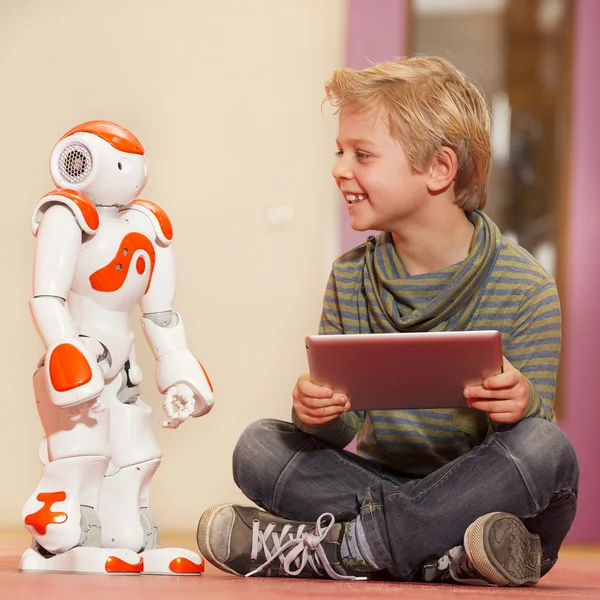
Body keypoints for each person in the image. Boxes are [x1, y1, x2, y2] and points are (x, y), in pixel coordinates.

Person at [196, 56, 578, 586]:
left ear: (439, 170)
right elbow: (342, 430)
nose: (339, 168)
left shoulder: (524, 284)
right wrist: (317, 413)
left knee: (545, 448)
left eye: (363, 154)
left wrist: (522, 405)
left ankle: (347, 547)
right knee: (258, 446)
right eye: (340, 150)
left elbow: (530, 444)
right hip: (399, 491)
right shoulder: (351, 277)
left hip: (482, 494)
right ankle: (441, 558)